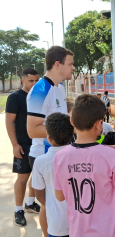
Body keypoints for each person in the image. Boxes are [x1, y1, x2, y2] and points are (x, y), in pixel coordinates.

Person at [53, 94, 115, 237]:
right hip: (110, 231)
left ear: (72, 121)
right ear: (99, 124)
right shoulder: (112, 155)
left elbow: (60, 196)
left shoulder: (60, 157)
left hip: (78, 230)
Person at [26, 46, 74, 235]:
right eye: (70, 64)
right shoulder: (40, 90)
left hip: (61, 153)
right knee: (49, 205)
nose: (73, 68)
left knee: (62, 203)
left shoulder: (59, 88)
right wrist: (68, 131)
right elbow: (32, 129)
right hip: (45, 154)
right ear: (57, 64)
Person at [5, 68, 39, 226]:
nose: (34, 84)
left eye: (36, 81)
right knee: (23, 178)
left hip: (38, 143)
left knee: (37, 175)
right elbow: (9, 121)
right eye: (31, 81)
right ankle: (18, 210)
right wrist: (15, 144)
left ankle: (30, 203)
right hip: (23, 144)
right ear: (23, 80)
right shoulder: (15, 97)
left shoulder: (39, 96)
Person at [32, 113, 73, 237]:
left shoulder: (40, 162)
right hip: (80, 222)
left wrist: (49, 204)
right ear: (72, 135)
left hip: (57, 225)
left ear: (49, 138)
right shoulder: (80, 156)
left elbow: (39, 195)